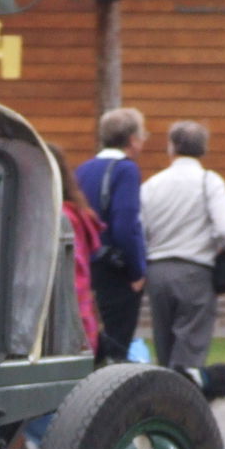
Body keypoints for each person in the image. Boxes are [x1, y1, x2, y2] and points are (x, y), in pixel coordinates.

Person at [139, 120, 225, 368]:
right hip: (196, 271)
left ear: (171, 147)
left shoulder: (152, 184)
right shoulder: (210, 182)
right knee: (190, 348)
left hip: (157, 271)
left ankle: (165, 398)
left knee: (163, 344)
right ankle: (184, 401)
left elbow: (140, 230)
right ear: (203, 149)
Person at [77, 107, 149, 363]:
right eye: (143, 135)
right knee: (116, 348)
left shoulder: (83, 169)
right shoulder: (126, 170)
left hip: (87, 265)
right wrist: (137, 271)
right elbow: (125, 224)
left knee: (90, 344)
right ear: (132, 139)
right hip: (115, 271)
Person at [50, 143, 103, 354]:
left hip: (67, 324)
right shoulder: (74, 213)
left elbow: (75, 277)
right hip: (78, 319)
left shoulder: (62, 217)